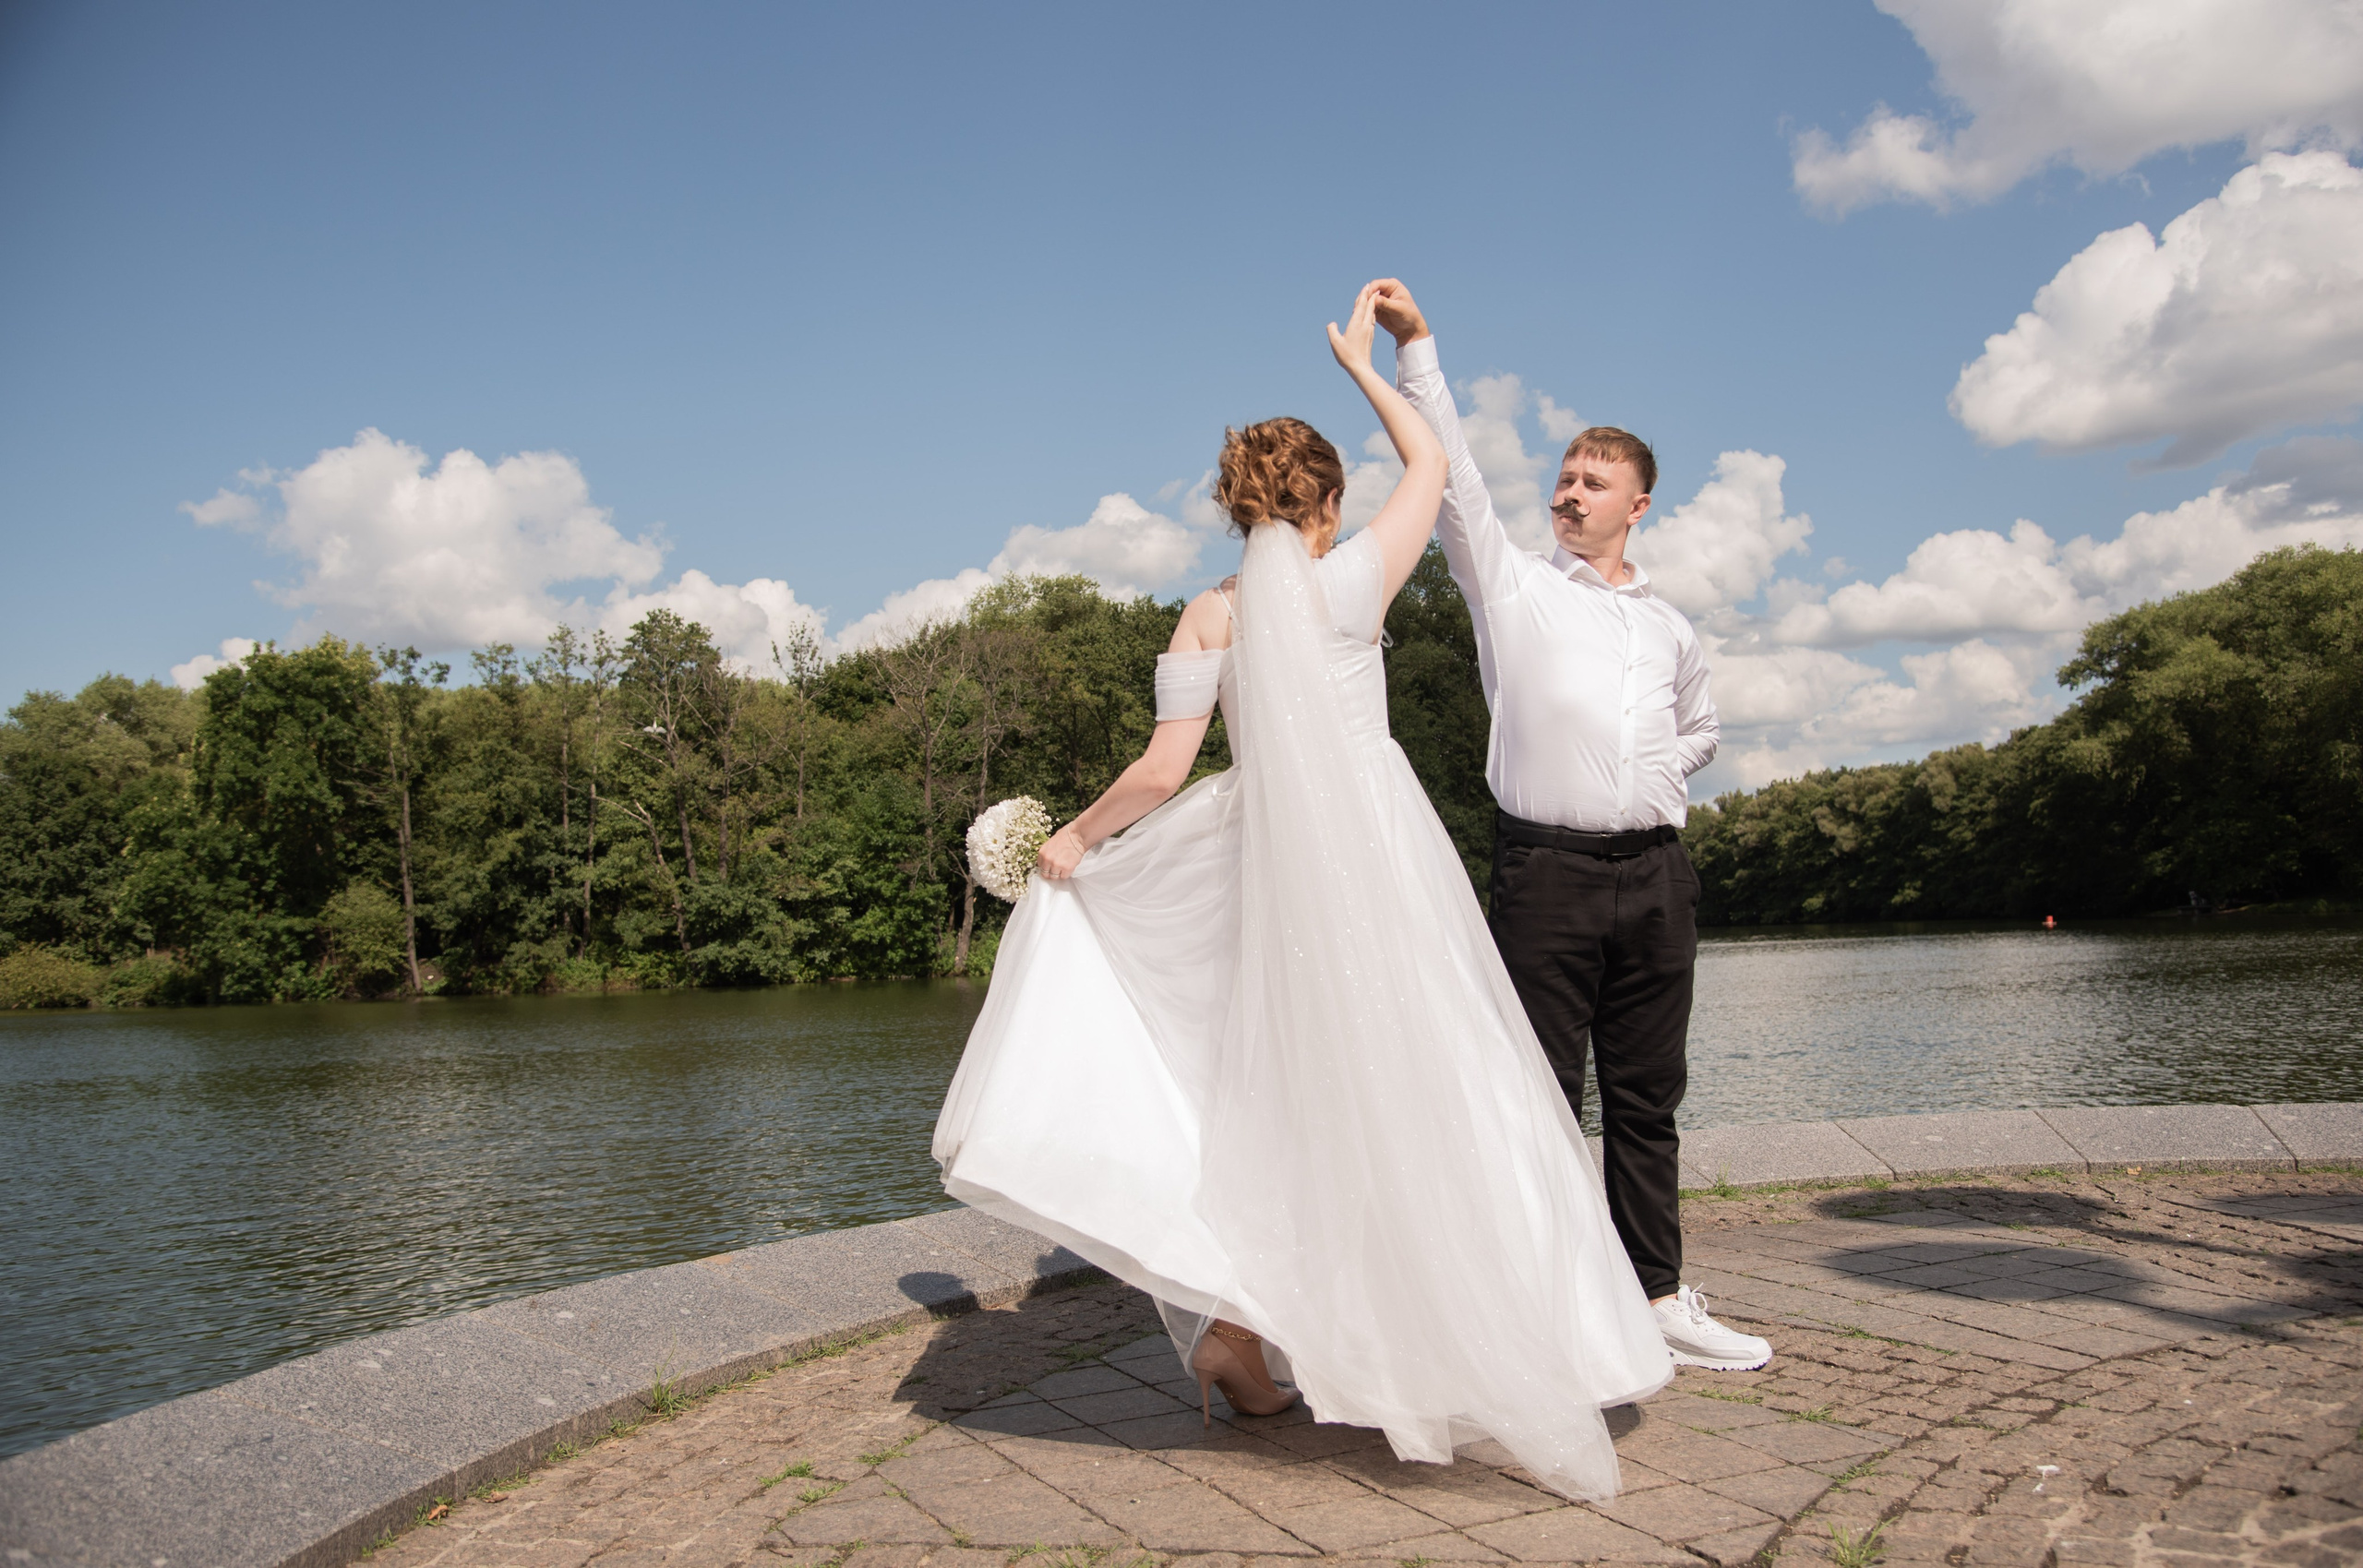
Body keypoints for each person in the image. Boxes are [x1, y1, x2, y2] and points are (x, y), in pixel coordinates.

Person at [933, 286, 1672, 1503]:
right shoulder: (1358, 581)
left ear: (1236, 507)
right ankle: (1431, 1346)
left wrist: (1070, 840)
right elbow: (1431, 456)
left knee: (1267, 1102)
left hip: (1261, 873)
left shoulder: (1212, 612)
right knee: (1434, 1095)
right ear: (1329, 504)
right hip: (1381, 871)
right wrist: (1370, 362)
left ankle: (1236, 1334)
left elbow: (1164, 772)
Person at [1369, 279, 1771, 1373]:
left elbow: (1706, 728)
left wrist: (1649, 774)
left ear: (1638, 504)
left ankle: (1653, 1300)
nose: (1569, 491)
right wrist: (1420, 352)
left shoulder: (1672, 626)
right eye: (1563, 476)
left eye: (1593, 481)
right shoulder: (1512, 588)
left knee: (1647, 1099)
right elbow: (1449, 478)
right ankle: (1538, 1315)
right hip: (1544, 872)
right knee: (1539, 1098)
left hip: (1657, 876)